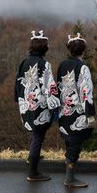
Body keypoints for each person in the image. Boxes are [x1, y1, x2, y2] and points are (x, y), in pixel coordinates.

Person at [15, 30, 60, 181]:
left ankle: (31, 157)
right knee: (38, 136)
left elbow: (18, 84)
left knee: (34, 134)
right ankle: (33, 172)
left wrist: (19, 101)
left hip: (26, 104)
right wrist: (55, 106)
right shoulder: (44, 64)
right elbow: (50, 88)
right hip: (40, 106)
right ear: (44, 47)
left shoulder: (24, 62)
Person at [57, 33, 95, 188]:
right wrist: (90, 115)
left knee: (69, 141)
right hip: (78, 111)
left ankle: (69, 174)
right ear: (83, 50)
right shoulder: (83, 67)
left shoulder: (62, 65)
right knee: (75, 144)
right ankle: (69, 178)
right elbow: (87, 92)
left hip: (64, 108)